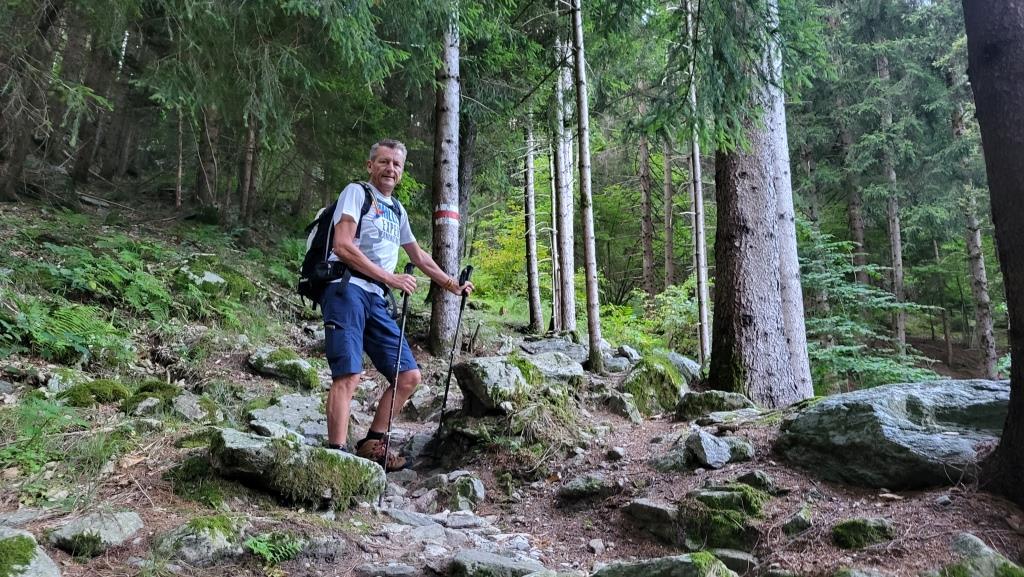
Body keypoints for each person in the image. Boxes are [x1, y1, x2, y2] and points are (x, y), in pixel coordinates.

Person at [323, 138, 473, 471]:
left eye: (396, 164)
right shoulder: (356, 193)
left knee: (408, 375)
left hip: (376, 297)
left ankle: (372, 444)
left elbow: (418, 256)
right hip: (346, 289)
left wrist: (452, 285)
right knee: (348, 373)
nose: (390, 168)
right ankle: (336, 457)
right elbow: (342, 246)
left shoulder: (397, 210)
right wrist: (390, 278)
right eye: (384, 161)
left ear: (401, 171)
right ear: (370, 165)